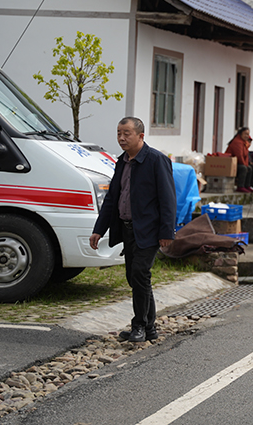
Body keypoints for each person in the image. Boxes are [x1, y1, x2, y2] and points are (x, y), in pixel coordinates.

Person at [89, 117, 176, 344]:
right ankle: (150, 327)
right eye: (119, 133)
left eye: (126, 133)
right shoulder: (122, 161)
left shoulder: (156, 160)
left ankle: (139, 325)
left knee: (139, 274)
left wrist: (167, 232)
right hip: (128, 229)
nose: (121, 138)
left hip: (149, 230)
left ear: (141, 136)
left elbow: (168, 199)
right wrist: (99, 229)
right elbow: (112, 198)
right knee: (135, 278)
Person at [225, 127, 253, 192]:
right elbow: (239, 156)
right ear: (240, 134)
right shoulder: (237, 142)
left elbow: (246, 156)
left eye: (248, 134)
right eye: (245, 134)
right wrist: (245, 165)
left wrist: (247, 164)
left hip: (238, 163)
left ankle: (247, 185)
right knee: (244, 168)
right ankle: (240, 186)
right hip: (231, 164)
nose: (247, 136)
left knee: (251, 168)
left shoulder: (244, 143)